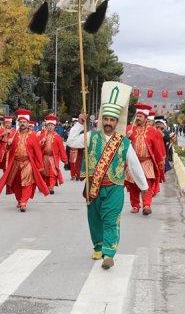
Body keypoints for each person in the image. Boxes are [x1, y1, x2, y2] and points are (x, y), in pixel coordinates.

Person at [85, 82, 148, 269]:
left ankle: (109, 253)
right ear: (101, 120)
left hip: (114, 188)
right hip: (93, 187)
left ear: (116, 122)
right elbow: (72, 141)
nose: (108, 123)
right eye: (105, 119)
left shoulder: (124, 142)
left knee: (111, 220)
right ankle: (98, 247)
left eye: (112, 120)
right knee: (94, 220)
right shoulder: (91, 137)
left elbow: (134, 165)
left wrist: (144, 187)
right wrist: (80, 124)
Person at [0, 109, 49, 212]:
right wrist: (8, 144)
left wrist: (40, 166)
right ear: (18, 123)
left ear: (28, 123)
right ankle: (19, 200)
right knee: (16, 183)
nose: (22, 124)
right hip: (15, 162)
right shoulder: (13, 134)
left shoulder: (33, 135)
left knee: (27, 183)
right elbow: (7, 149)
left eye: (24, 122)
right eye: (20, 122)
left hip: (27, 163)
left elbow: (37, 152)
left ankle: (24, 202)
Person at [125, 103, 166, 216]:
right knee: (133, 184)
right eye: (137, 116)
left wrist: (160, 162)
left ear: (145, 118)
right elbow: (121, 144)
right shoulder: (129, 129)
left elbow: (157, 148)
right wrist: (126, 137)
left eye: (140, 116)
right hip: (133, 162)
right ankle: (135, 205)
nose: (138, 118)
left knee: (147, 183)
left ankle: (147, 205)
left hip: (146, 161)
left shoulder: (153, 131)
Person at [38, 114, 68, 194]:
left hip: (53, 158)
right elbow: (38, 147)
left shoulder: (58, 137)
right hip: (44, 157)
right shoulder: (42, 136)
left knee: (52, 172)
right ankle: (46, 186)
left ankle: (51, 187)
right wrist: (41, 142)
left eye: (52, 125)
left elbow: (62, 149)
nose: (50, 127)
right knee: (44, 172)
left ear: (54, 126)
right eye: (49, 125)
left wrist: (64, 159)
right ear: (46, 126)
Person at [66, 112, 86, 181]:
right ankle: (74, 175)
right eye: (81, 119)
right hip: (74, 149)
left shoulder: (86, 127)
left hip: (81, 150)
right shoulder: (74, 128)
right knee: (73, 163)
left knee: (79, 163)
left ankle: (78, 174)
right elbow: (70, 141)